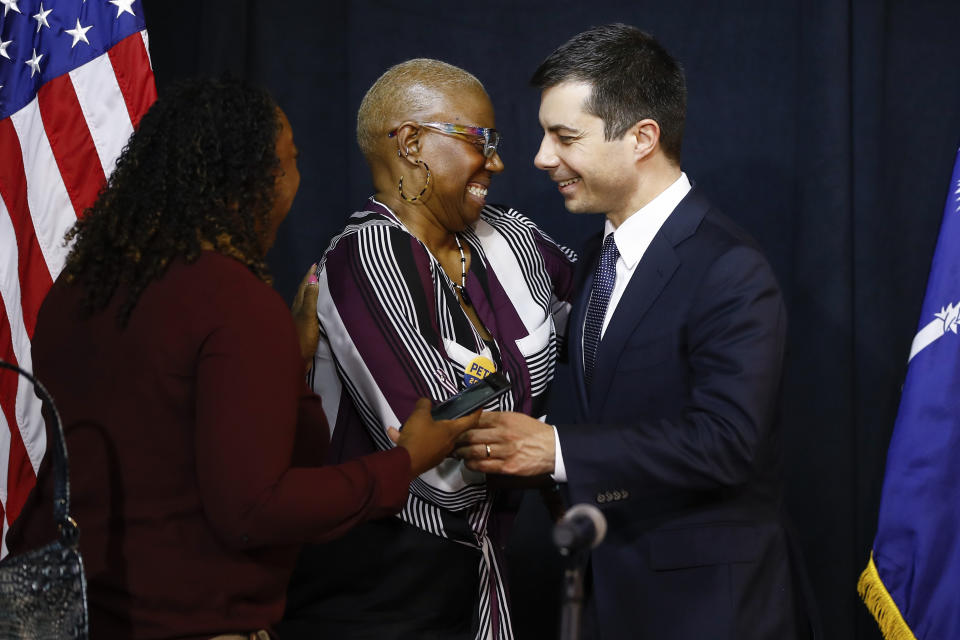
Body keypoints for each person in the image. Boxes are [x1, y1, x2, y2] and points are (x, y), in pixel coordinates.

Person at [7, 76, 478, 640]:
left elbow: (155, 440)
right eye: (290, 161)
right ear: (254, 181)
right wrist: (405, 462)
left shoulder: (76, 291)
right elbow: (254, 511)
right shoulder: (233, 300)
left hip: (76, 619)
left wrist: (285, 364)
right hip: (194, 624)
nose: (297, 178)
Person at [458, 24, 807, 639]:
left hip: (710, 611)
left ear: (643, 137)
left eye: (565, 137)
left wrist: (557, 450)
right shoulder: (599, 255)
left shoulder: (729, 268)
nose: (541, 158)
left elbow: (727, 442)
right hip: (613, 596)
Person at [279, 59, 576, 640]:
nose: (497, 162)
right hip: (380, 592)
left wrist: (552, 449)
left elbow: (603, 324)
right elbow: (441, 469)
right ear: (412, 142)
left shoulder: (508, 237)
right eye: (481, 141)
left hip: (477, 582)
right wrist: (557, 455)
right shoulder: (366, 254)